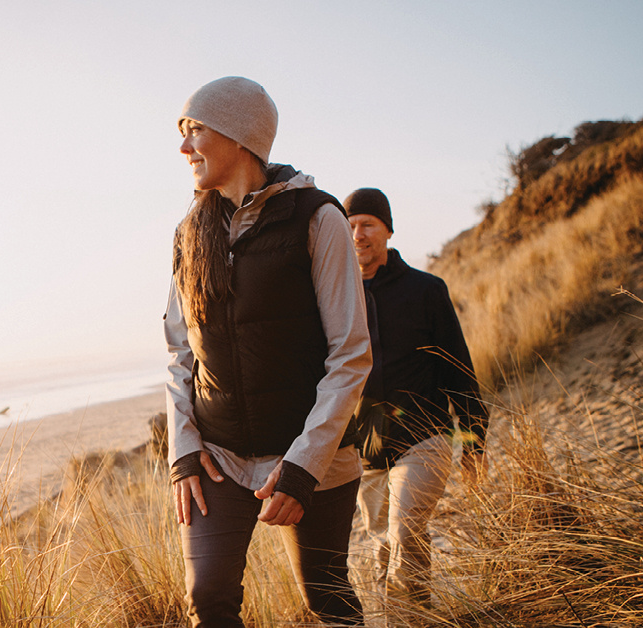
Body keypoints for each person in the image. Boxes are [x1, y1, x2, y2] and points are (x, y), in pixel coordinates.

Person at [164, 76, 371, 627]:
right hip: (220, 456)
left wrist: (303, 466)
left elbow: (350, 353)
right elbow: (179, 352)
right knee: (208, 597)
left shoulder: (318, 218)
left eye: (195, 131)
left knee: (326, 596)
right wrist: (183, 450)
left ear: (239, 136)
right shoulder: (190, 232)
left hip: (311, 457)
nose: (183, 148)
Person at [343, 187, 489, 618]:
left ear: (388, 229)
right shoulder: (337, 300)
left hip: (425, 438)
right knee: (385, 545)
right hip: (367, 450)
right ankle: (415, 617)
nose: (358, 234)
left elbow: (457, 369)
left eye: (367, 224)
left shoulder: (425, 290)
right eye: (349, 226)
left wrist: (474, 441)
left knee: (404, 532)